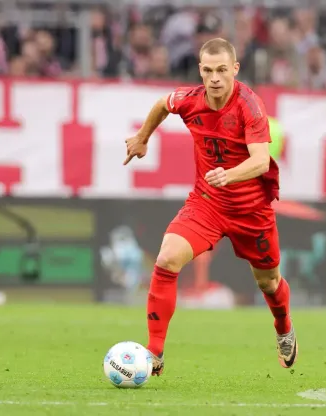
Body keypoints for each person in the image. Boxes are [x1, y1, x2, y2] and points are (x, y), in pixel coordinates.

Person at [123, 38, 297, 376]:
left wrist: (228, 175)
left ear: (235, 69)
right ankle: (154, 353)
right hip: (208, 203)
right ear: (200, 71)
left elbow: (261, 162)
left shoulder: (250, 105)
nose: (214, 78)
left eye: (221, 70)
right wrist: (143, 137)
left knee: (269, 282)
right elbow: (163, 104)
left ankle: (284, 328)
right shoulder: (190, 100)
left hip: (251, 210)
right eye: (207, 70)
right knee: (167, 257)